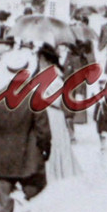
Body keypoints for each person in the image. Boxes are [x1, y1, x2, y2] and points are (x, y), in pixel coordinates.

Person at [0, 47, 52, 212]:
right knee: (36, 207)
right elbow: (43, 132)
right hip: (29, 158)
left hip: (0, 157)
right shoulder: (34, 97)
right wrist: (45, 151)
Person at [37, 42, 80, 183]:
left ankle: (56, 171)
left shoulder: (55, 75)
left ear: (47, 60)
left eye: (41, 60)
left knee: (55, 141)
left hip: (53, 113)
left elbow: (55, 99)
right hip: (48, 113)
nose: (40, 63)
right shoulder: (46, 73)